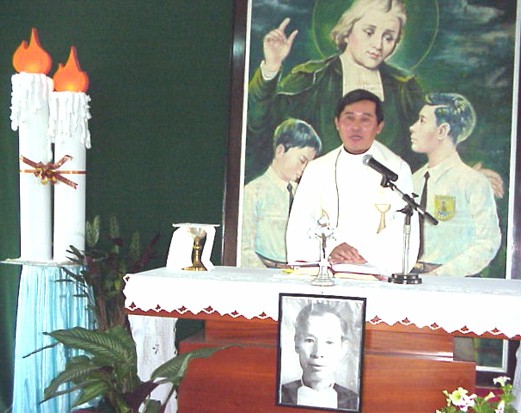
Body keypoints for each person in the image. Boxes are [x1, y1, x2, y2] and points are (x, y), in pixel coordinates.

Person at [246, 0, 423, 182]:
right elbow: (259, 125)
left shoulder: (405, 90)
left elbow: (422, 156)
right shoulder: (312, 79)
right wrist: (272, 66)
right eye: (369, 32)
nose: (378, 44)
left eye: (388, 38)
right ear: (347, 31)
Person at [286, 89, 419, 275]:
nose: (356, 127)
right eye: (349, 118)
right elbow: (300, 223)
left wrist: (362, 253)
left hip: (373, 271)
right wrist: (331, 248)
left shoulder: (396, 169)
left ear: (379, 126)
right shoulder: (317, 169)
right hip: (326, 270)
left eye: (365, 120)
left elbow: (403, 225)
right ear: (337, 123)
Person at [410, 92, 501, 277]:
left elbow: (487, 242)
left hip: (453, 280)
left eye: (422, 121)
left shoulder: (472, 182)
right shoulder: (414, 180)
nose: (413, 127)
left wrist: (441, 274)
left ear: (442, 131)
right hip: (410, 277)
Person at [241, 118, 322, 268]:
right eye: (302, 161)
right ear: (280, 151)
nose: (305, 169)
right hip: (265, 272)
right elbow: (243, 247)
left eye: (309, 164)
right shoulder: (254, 192)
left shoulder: (304, 193)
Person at [280, 302, 359, 410]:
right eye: (309, 340)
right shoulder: (280, 394)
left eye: (329, 342)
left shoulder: (354, 401)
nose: (318, 353)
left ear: (343, 348)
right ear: (297, 343)